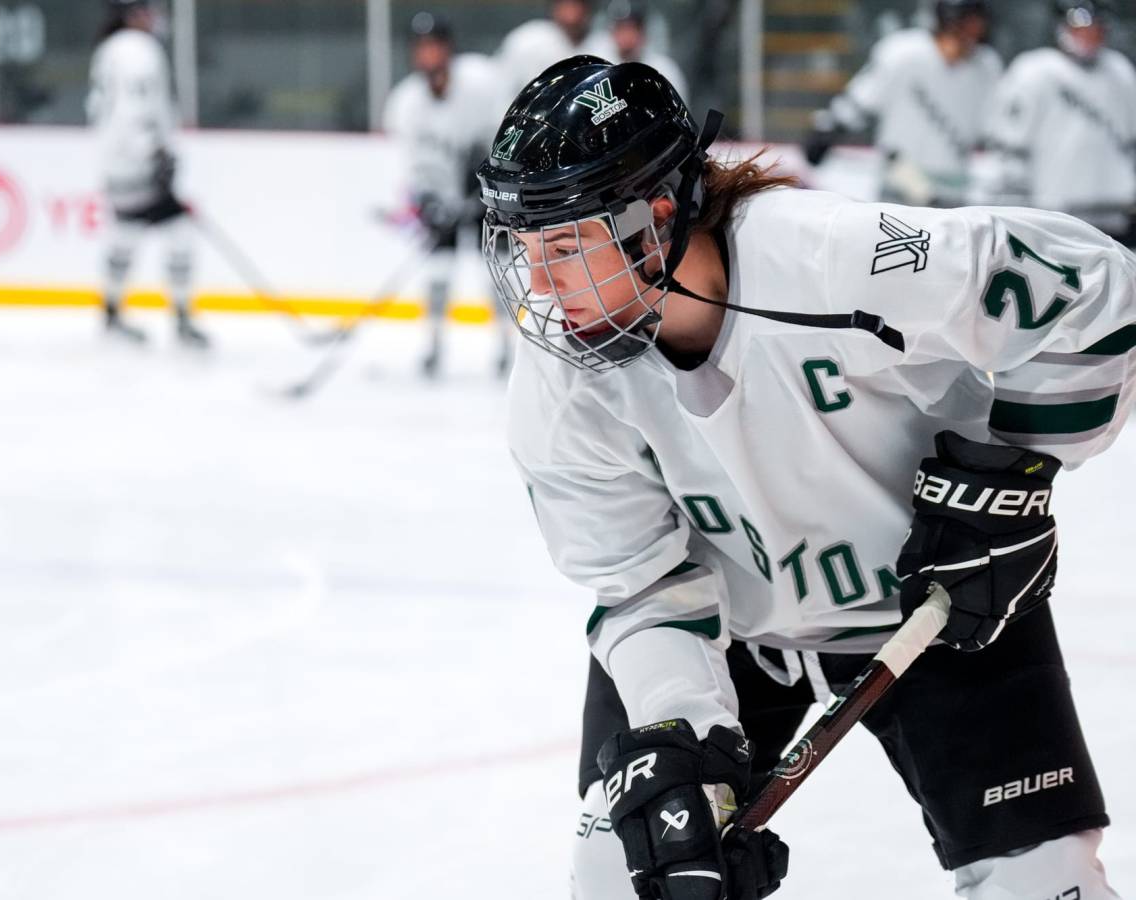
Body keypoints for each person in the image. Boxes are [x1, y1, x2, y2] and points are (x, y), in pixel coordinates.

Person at [478, 56, 1130, 899]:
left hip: (947, 607)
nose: (542, 287)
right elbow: (635, 584)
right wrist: (682, 734)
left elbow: (1097, 292)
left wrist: (1011, 474)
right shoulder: (561, 383)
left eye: (564, 248)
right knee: (626, 876)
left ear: (658, 217)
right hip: (731, 637)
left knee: (1042, 887)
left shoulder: (837, 257)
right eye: (527, 252)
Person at [382, 13, 511, 377]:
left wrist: (486, 183)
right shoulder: (405, 104)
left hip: (485, 197)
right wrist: (426, 202)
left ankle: (506, 345)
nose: (428, 55)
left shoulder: (481, 85)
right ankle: (434, 345)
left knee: (495, 273)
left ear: (448, 48)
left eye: (434, 46)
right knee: (438, 272)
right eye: (421, 47)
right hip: (441, 200)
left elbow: (505, 140)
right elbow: (411, 167)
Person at [86, 0, 207, 347]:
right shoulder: (137, 50)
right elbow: (134, 108)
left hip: (115, 162)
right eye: (149, 10)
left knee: (125, 233)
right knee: (180, 233)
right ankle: (182, 319)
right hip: (138, 163)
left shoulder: (110, 48)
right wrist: (153, 153)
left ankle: (111, 314)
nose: (155, 17)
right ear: (132, 14)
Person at [804, 0, 1002, 206]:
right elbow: (861, 97)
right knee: (902, 233)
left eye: (979, 24)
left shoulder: (986, 67)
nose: (976, 31)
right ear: (951, 21)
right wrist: (829, 128)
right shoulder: (903, 53)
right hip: (902, 174)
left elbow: (994, 126)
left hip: (954, 183)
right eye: (971, 23)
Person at [978, 0, 1136, 246]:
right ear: (1062, 30)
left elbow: (1130, 140)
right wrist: (1005, 202)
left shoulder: (1120, 71)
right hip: (1054, 213)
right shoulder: (1034, 71)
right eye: (1082, 30)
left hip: (1114, 213)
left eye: (1096, 30)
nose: (1089, 37)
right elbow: (1007, 145)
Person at [585, 0, 689, 104]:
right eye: (621, 28)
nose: (626, 35)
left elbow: (680, 113)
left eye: (632, 28)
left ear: (643, 30)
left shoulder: (664, 69)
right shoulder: (598, 69)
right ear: (612, 31)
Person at [496, 0, 596, 102]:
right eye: (566, 4)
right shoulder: (526, 41)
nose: (572, 13)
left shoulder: (603, 45)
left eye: (578, 4)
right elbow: (500, 90)